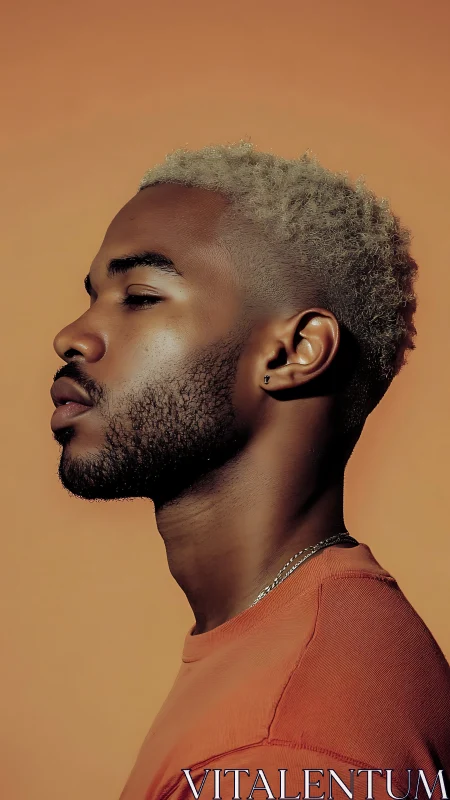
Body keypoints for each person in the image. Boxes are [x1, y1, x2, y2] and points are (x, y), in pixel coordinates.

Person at [50, 142, 449, 800]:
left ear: (294, 351)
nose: (73, 336)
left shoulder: (286, 746)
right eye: (94, 296)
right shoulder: (289, 645)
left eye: (141, 296)